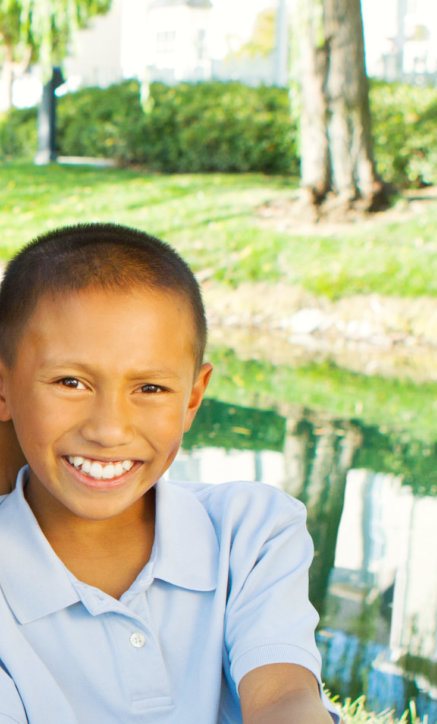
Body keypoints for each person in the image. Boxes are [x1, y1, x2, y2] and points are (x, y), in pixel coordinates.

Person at [0, 223, 333, 723]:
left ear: (194, 398)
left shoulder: (251, 531)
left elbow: (285, 695)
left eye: (151, 388)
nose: (109, 429)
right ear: (3, 387)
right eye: (71, 382)